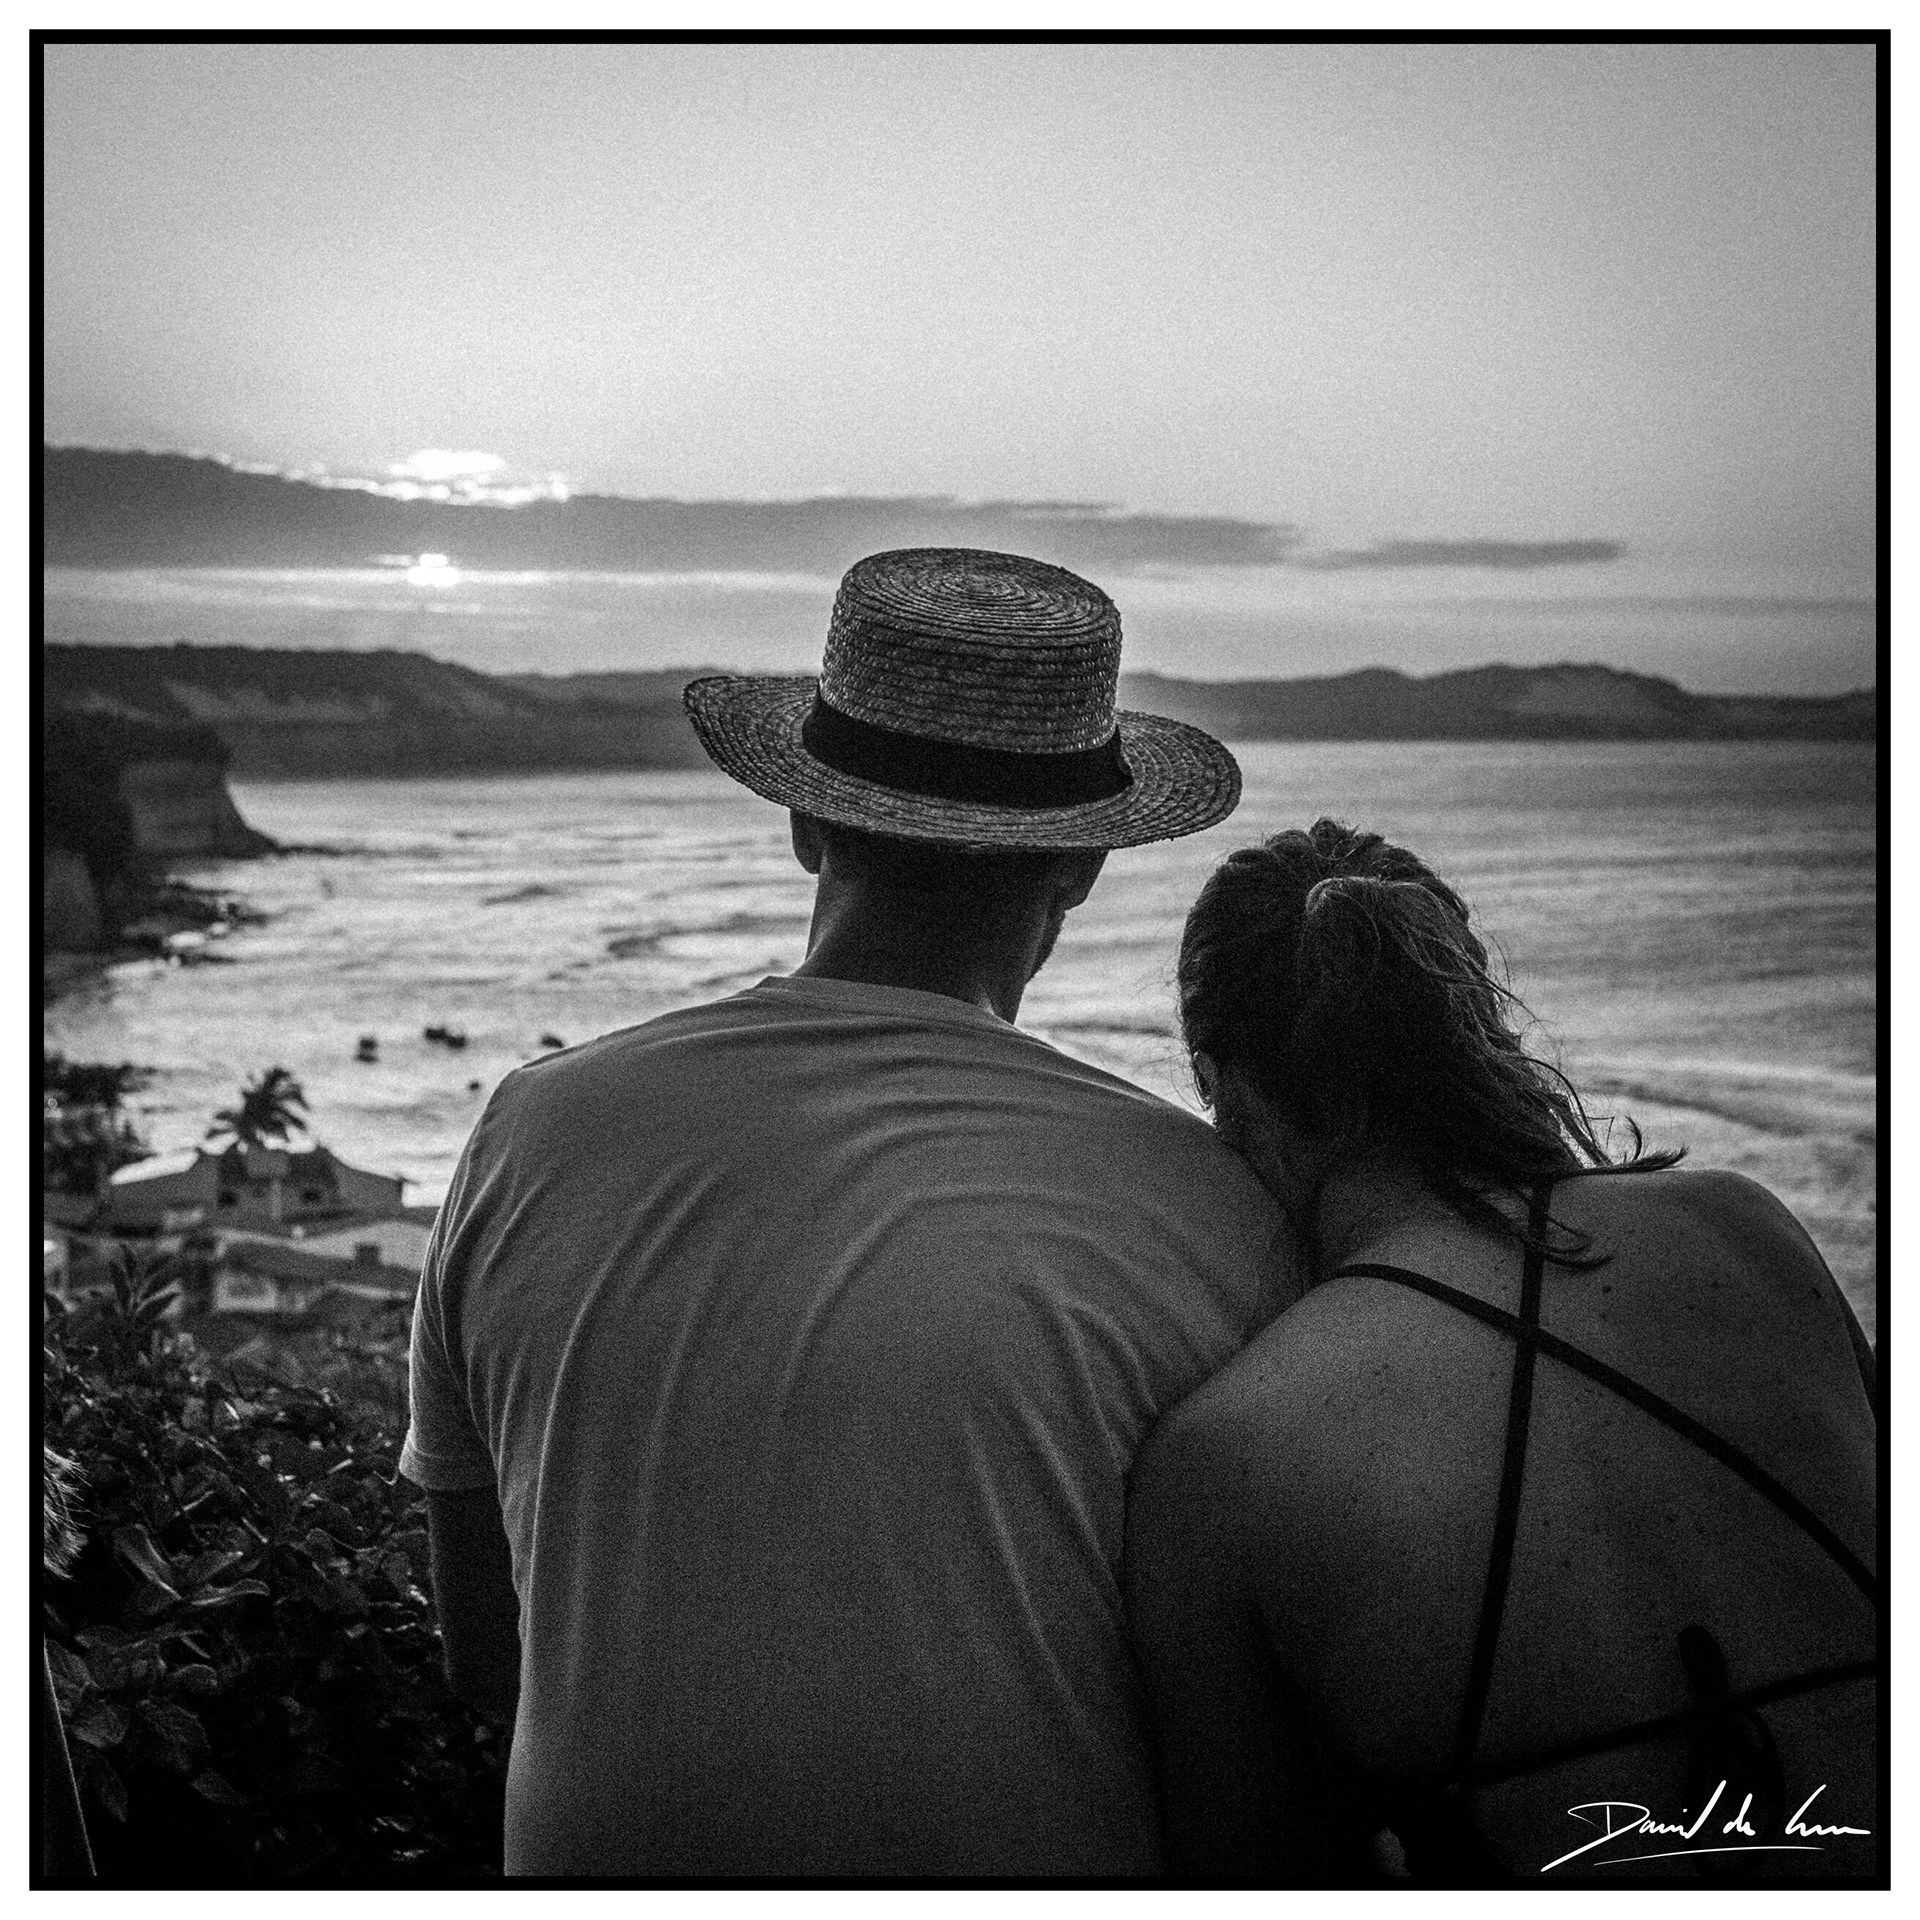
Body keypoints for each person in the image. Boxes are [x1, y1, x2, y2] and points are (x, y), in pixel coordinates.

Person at [401, 548, 1290, 1875]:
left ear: (804, 825)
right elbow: (1248, 1737)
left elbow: (486, 1655)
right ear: (1086, 863)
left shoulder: (529, 1130)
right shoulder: (1206, 1209)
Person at [1123, 818, 1877, 1885]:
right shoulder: (1751, 1233)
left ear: (1224, 1087)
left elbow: (1247, 1881)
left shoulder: (1224, 1462)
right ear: (1473, 1027)